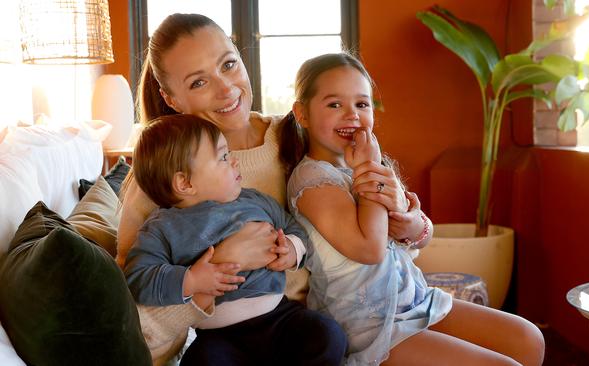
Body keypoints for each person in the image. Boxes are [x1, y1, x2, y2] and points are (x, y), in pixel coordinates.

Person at [117, 13, 423, 363]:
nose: (226, 89)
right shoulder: (161, 180)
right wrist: (220, 267)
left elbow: (384, 232)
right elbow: (137, 315)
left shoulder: (298, 135)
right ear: (171, 99)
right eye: (198, 83)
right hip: (226, 337)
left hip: (326, 326)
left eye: (228, 64)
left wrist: (413, 222)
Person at [283, 52, 546, 365]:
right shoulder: (312, 179)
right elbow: (370, 248)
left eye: (362, 104)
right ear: (302, 114)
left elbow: (422, 232)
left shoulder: (371, 164)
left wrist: (411, 224)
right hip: (368, 326)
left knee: (528, 339)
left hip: (416, 301)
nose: (352, 115)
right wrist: (369, 168)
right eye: (334, 104)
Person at [123, 114, 347, 365]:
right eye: (223, 157)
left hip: (279, 317)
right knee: (200, 361)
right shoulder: (161, 228)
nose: (235, 161)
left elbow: (293, 227)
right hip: (220, 335)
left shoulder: (253, 200)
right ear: (184, 182)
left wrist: (292, 249)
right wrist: (191, 280)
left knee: (328, 334)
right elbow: (138, 278)